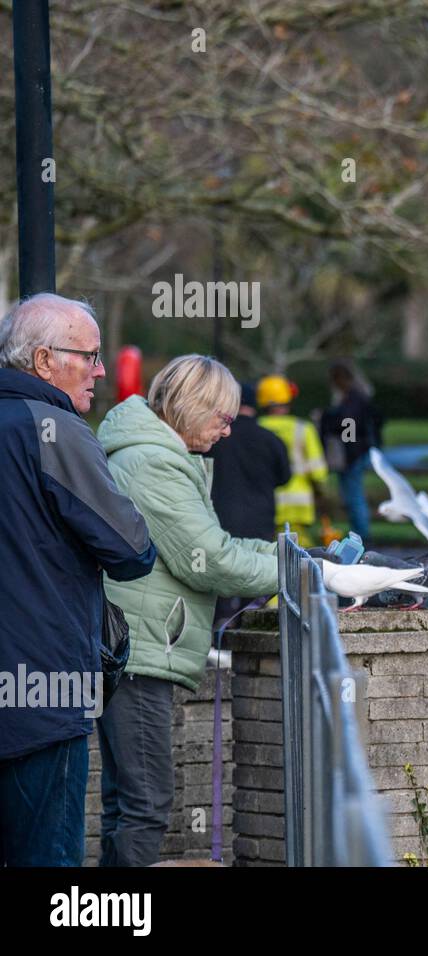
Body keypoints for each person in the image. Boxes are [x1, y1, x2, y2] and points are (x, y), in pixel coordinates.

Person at [96, 354, 279, 866]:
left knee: (126, 804)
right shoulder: (153, 462)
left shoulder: (154, 452)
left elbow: (209, 545)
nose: (227, 431)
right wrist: (300, 574)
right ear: (191, 405)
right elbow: (210, 562)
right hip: (139, 655)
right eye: (222, 418)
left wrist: (285, 556)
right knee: (146, 805)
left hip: (134, 649)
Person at [0, 293, 156, 867]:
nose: (99, 370)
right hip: (42, 693)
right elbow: (132, 549)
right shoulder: (54, 429)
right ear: (43, 361)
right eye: (88, 356)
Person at [207, 381, 291, 542]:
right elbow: (284, 477)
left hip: (220, 518)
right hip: (261, 520)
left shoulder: (215, 438)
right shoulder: (271, 439)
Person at [257, 374, 328, 543]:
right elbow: (318, 472)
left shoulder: (255, 428)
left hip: (264, 502)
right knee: (300, 555)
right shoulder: (304, 429)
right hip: (298, 504)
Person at [319, 360, 383, 542]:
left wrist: (327, 419)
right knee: (353, 496)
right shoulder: (358, 397)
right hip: (356, 452)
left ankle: (362, 535)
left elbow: (348, 427)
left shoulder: (352, 399)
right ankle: (360, 533)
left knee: (354, 497)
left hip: (353, 455)